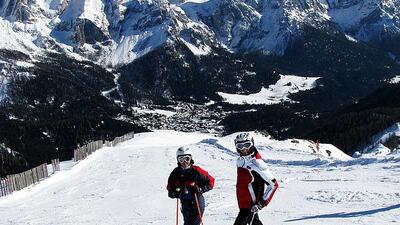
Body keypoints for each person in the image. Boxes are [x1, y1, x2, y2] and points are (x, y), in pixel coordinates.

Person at [233, 133, 279, 225]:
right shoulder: (241, 161)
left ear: (252, 144)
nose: (244, 149)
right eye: (240, 146)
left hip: (250, 207)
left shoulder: (257, 164)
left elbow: (273, 185)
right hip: (243, 205)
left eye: (247, 145)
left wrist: (261, 203)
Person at [167, 146, 215, 225]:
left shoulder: (196, 170)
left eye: (187, 158)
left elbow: (211, 181)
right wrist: (175, 193)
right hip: (185, 202)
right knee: (187, 222)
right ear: (178, 160)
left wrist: (200, 189)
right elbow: (170, 188)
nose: (185, 162)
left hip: (197, 200)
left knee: (194, 223)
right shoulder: (175, 173)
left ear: (191, 158)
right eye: (181, 159)